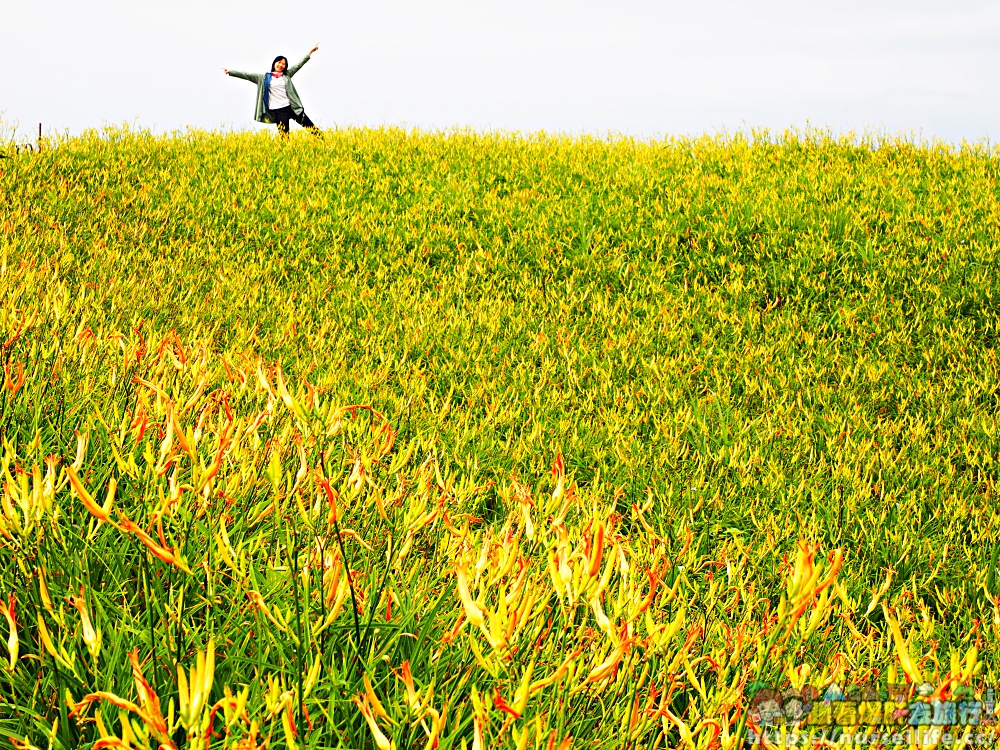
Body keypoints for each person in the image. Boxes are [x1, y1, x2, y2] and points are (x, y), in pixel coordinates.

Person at [224, 46, 322, 137]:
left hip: (292, 108)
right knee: (285, 138)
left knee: (312, 128)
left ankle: (326, 145)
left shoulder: (286, 75)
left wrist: (310, 53)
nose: (281, 65)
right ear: (274, 63)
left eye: (283, 64)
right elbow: (246, 75)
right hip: (279, 111)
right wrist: (231, 72)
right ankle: (288, 154)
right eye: (279, 62)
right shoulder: (263, 78)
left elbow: (298, 65)